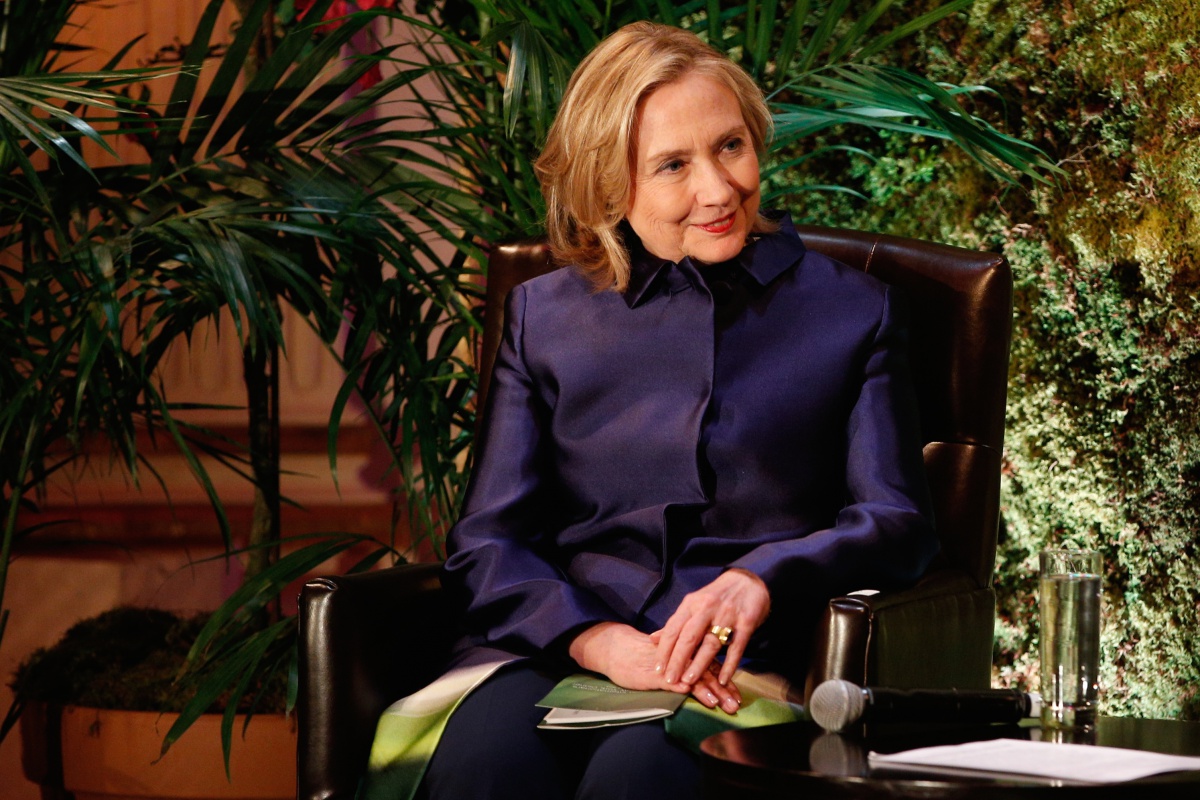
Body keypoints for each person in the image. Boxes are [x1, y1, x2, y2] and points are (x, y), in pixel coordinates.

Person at [416, 20, 937, 800]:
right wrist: (597, 640)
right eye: (672, 166)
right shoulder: (544, 316)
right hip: (557, 647)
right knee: (485, 771)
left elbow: (898, 521)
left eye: (731, 145)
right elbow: (490, 541)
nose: (719, 190)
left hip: (741, 667)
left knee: (638, 778)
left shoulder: (854, 312)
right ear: (609, 185)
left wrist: (760, 578)